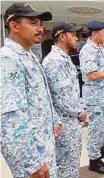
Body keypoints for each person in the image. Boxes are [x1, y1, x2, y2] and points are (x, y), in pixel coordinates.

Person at [1, 3, 60, 178]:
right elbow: (10, 121)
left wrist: (54, 120)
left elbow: (41, 97)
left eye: (40, 24)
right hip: (32, 160)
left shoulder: (28, 56)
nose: (40, 29)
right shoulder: (7, 60)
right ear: (14, 26)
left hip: (43, 149)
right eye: (33, 23)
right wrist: (32, 165)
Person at [42, 22, 87, 178]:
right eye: (73, 35)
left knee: (71, 164)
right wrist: (80, 112)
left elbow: (71, 90)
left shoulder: (63, 58)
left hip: (70, 123)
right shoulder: (55, 61)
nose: (77, 38)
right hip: (64, 125)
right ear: (62, 36)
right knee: (65, 167)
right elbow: (60, 98)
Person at [79, 20, 104, 174]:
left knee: (102, 127)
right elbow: (92, 75)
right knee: (95, 129)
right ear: (95, 33)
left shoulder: (99, 49)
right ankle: (94, 160)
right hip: (96, 98)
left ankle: (100, 148)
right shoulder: (88, 50)